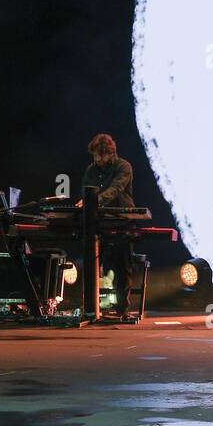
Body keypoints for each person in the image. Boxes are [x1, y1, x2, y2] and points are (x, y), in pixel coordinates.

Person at [81, 133, 137, 317]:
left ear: (110, 154)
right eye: (95, 156)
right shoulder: (91, 169)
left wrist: (95, 200)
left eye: (100, 156)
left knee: (123, 266)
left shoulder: (124, 166)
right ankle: (92, 308)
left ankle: (122, 309)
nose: (97, 160)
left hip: (122, 220)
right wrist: (85, 202)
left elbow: (116, 188)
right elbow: (86, 190)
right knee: (93, 262)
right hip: (100, 221)